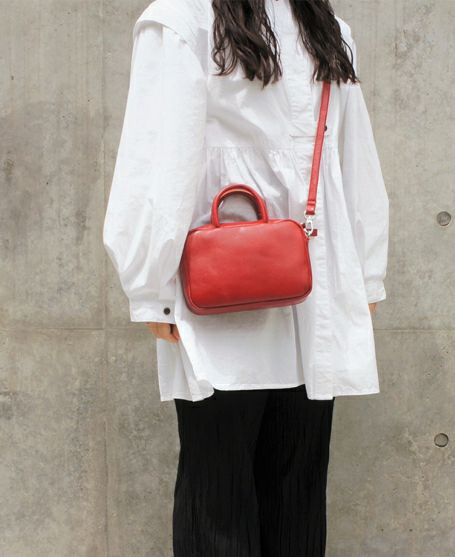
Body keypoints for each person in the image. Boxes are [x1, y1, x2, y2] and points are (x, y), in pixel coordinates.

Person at [102, 0, 389, 555]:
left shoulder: (185, 20)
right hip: (313, 283)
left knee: (219, 494)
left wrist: (151, 285)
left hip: (220, 288)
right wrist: (364, 272)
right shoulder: (322, 29)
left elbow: (158, 161)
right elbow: (353, 159)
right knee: (295, 490)